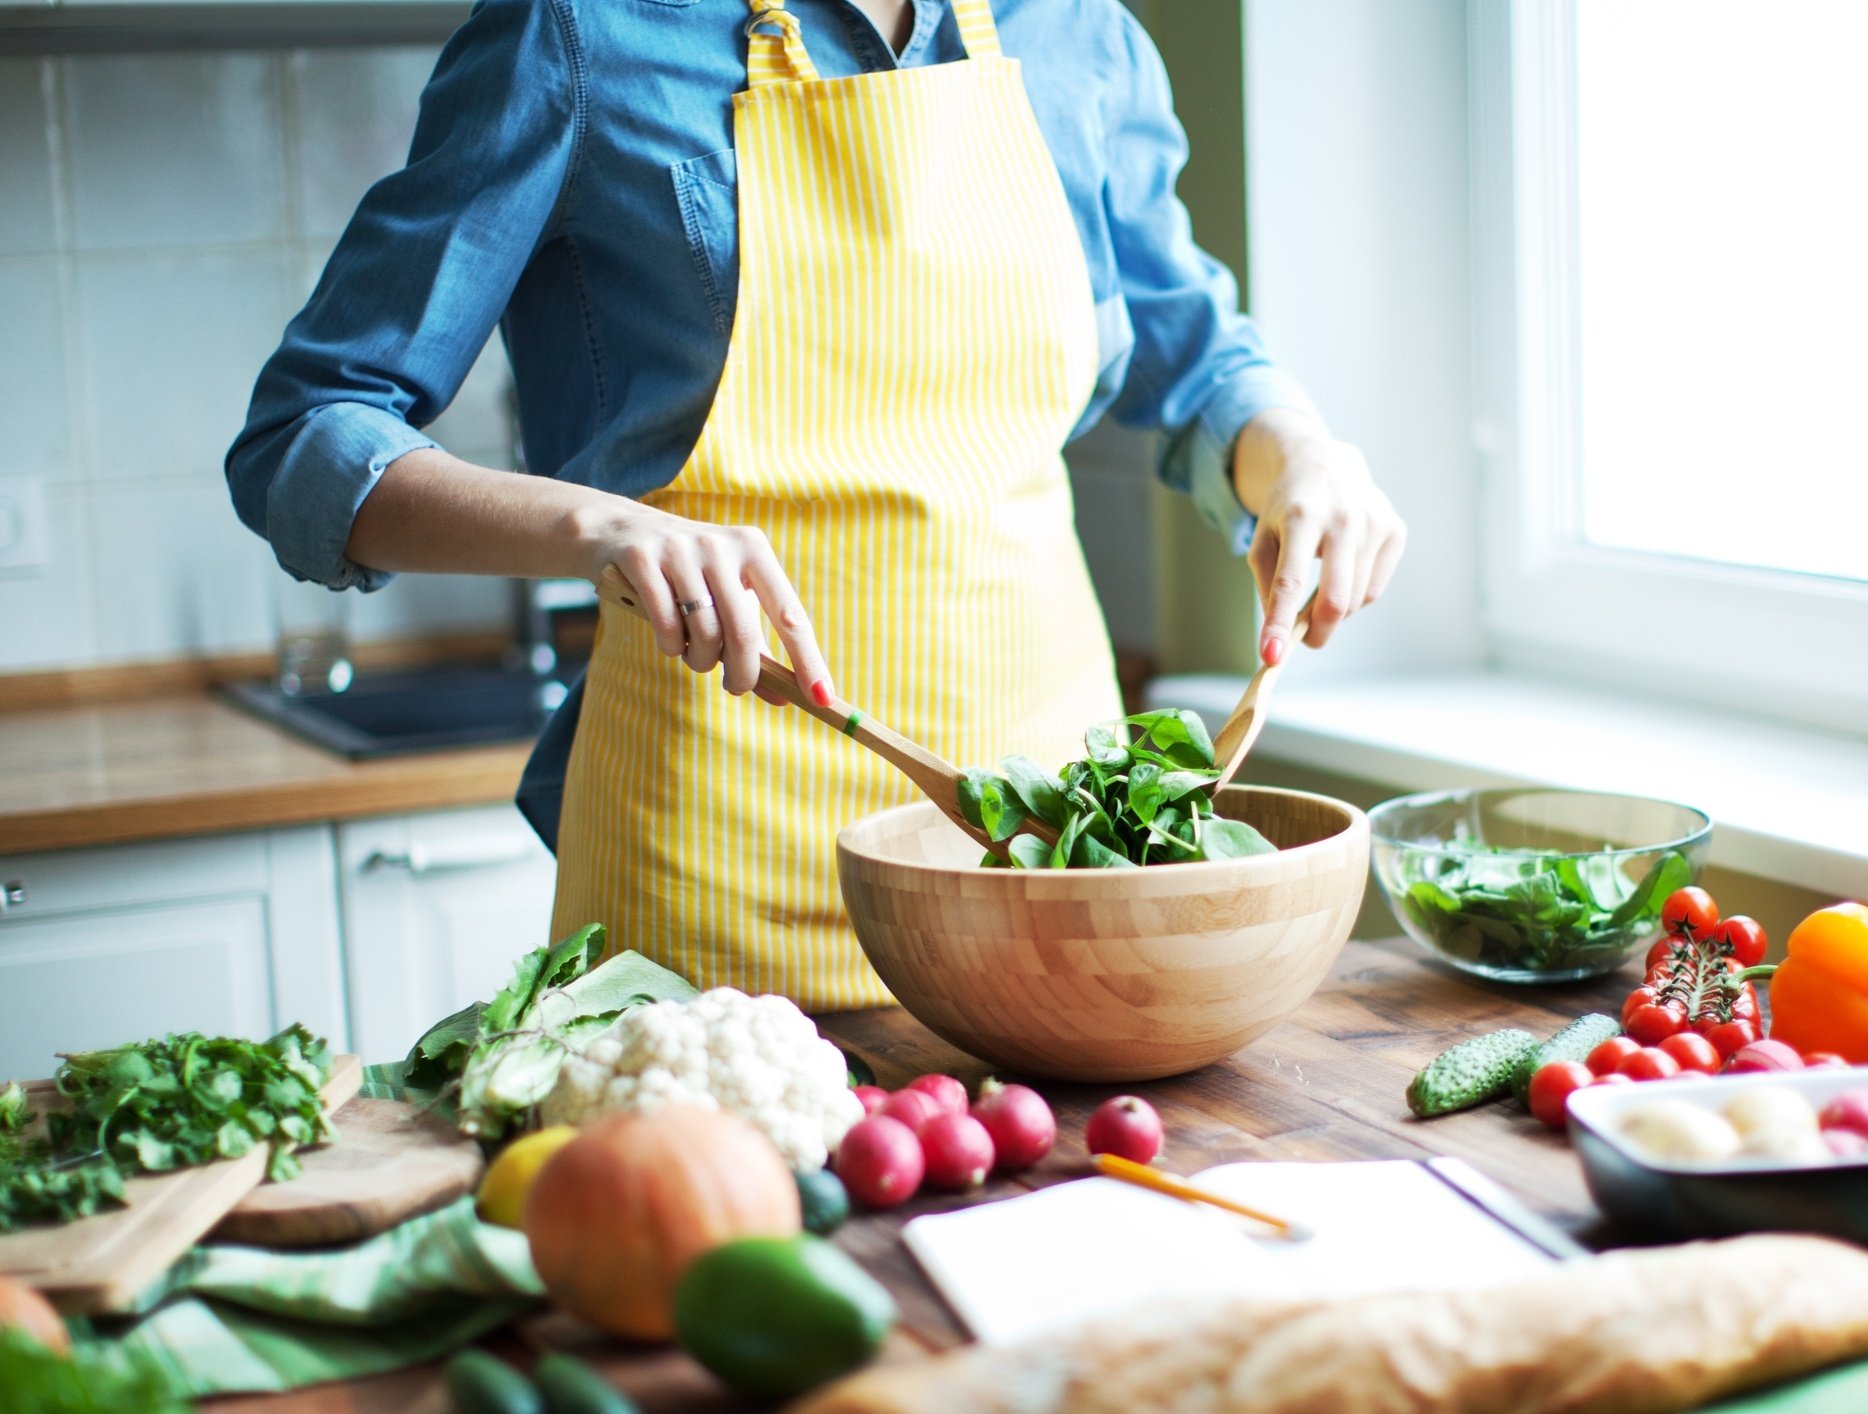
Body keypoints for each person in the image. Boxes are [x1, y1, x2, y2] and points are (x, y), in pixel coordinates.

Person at [228, 0, 1405, 1008]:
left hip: (1053, 853)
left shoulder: (1073, 26)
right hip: (715, 869)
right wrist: (597, 527)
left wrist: (1298, 452)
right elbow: (307, 434)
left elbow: (1192, 354)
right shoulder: (580, 30)